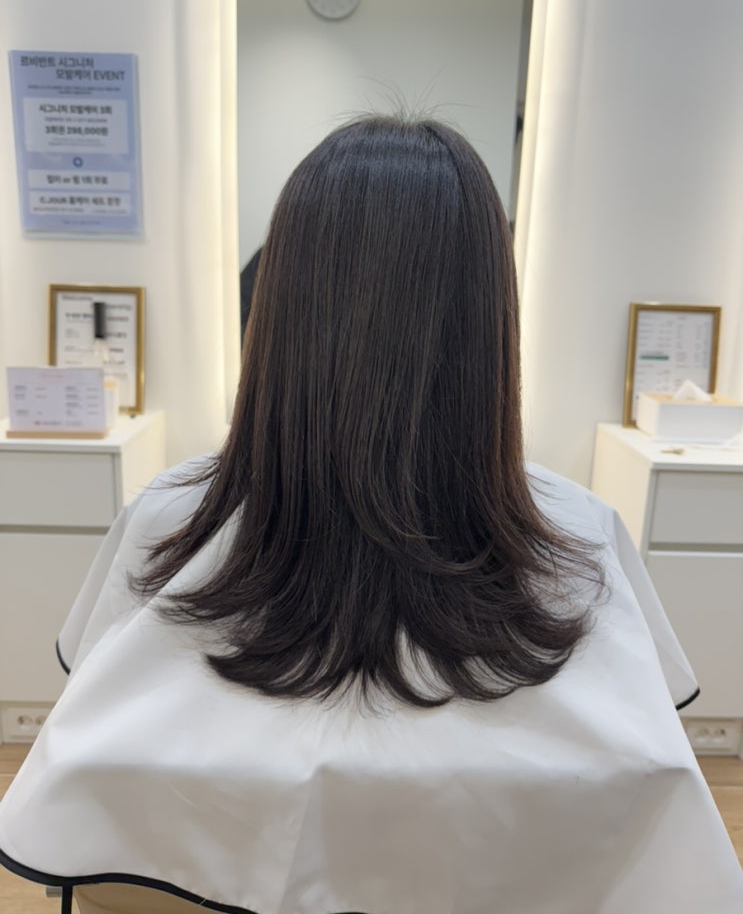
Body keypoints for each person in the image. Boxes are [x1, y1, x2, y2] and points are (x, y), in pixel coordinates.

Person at [1, 116, 741, 914]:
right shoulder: (581, 529)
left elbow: (91, 763)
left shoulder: (171, 512)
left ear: (277, 306)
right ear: (490, 319)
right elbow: (647, 778)